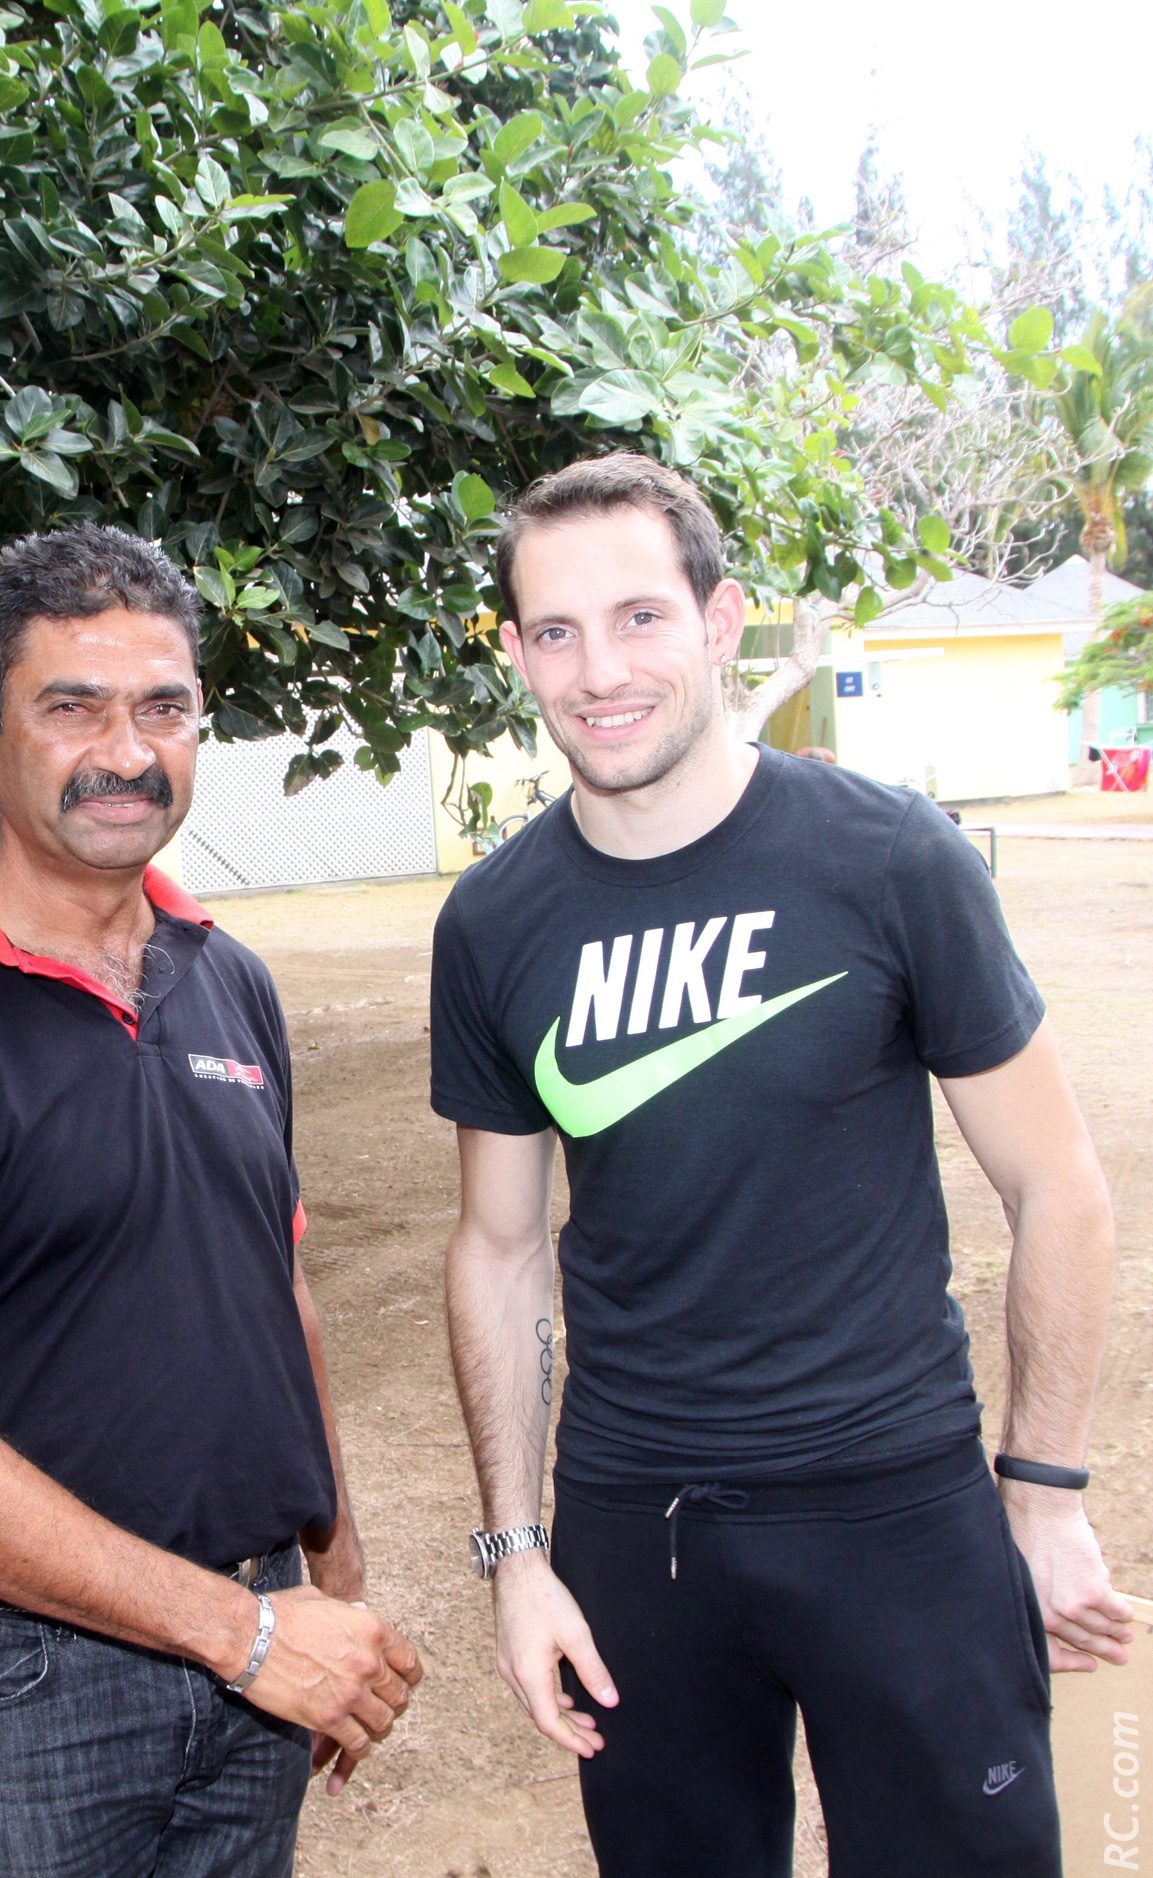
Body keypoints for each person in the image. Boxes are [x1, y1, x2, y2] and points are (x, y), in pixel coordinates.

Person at [430, 453, 1130, 1876]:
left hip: (896, 1502)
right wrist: (517, 1555)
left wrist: (1044, 1493)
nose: (598, 671)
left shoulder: (891, 859)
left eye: (638, 617)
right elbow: (496, 1249)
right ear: (514, 652)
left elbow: (1056, 1182)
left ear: (720, 618)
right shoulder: (493, 922)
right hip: (638, 1529)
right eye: (555, 631)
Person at [0, 523, 421, 1878]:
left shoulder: (227, 976)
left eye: (163, 708)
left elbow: (276, 1288)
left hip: (259, 1633)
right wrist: (247, 1635)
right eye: (72, 707)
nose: (125, 753)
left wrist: (334, 1573)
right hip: (28, 1680)